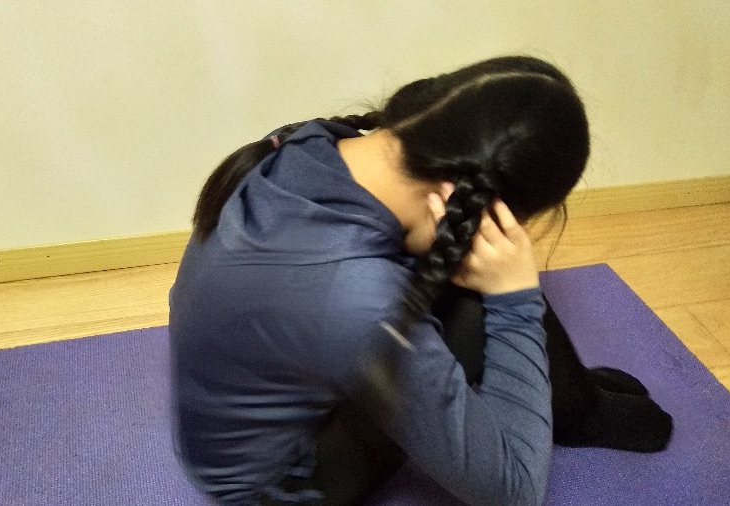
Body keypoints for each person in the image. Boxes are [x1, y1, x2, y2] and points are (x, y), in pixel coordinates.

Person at [168, 56, 673, 506]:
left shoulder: (314, 141)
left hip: (248, 413)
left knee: (463, 271)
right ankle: (577, 410)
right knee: (485, 293)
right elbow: (516, 491)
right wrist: (515, 295)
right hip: (275, 487)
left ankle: (575, 405)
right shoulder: (361, 299)